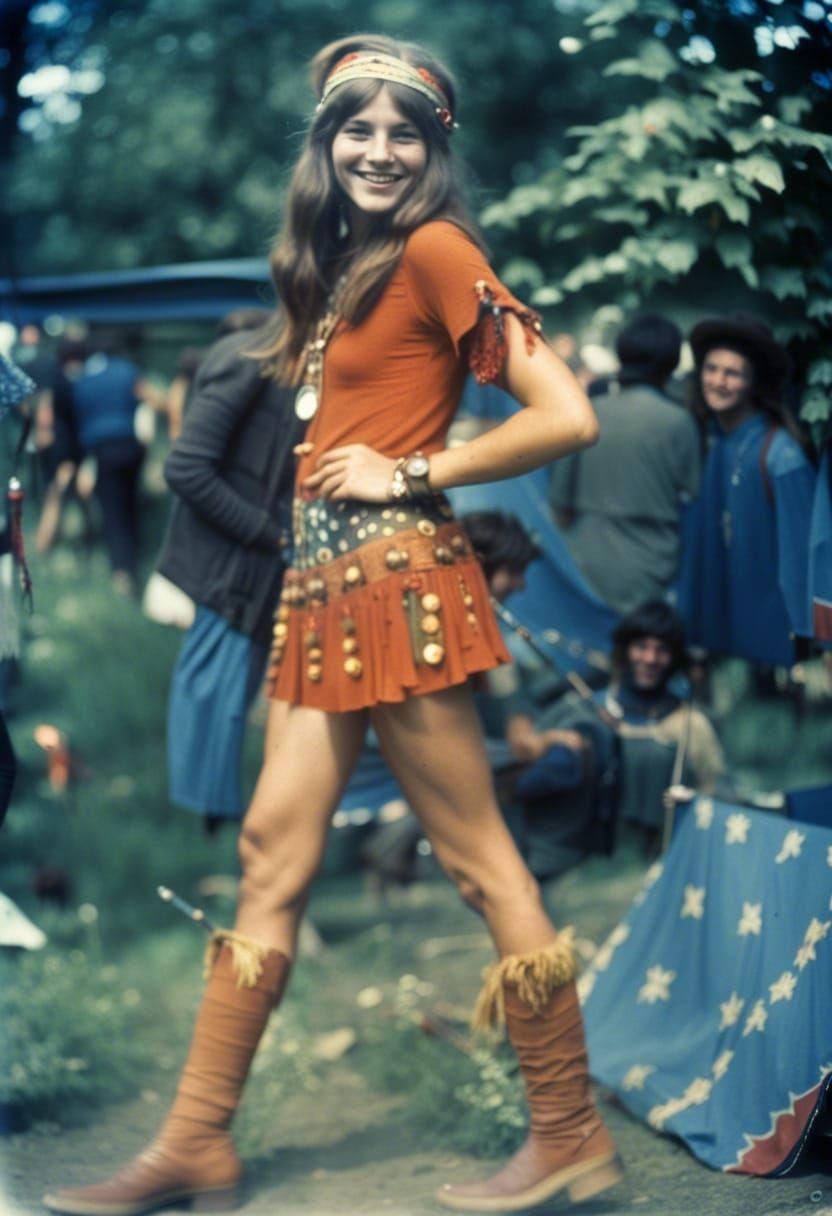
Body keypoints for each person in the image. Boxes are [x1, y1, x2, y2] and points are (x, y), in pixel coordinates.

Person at [45, 35, 622, 1216]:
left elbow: (566, 414)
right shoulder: (341, 269)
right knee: (270, 851)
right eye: (355, 128)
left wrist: (418, 473)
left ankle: (569, 1133)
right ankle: (198, 1141)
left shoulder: (436, 249)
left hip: (398, 586)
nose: (377, 148)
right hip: (321, 597)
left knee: (476, 859)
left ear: (432, 151)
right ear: (324, 143)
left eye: (403, 131)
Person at [156, 314, 302, 833]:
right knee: (214, 713)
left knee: (228, 713)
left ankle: (225, 826)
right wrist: (270, 535)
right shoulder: (251, 359)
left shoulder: (288, 365)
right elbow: (187, 469)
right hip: (233, 579)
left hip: (258, 579)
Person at [504, 601, 725, 866]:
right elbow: (524, 767)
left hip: (656, 863)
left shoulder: (690, 724)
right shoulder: (583, 709)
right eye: (641, 647)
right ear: (625, 649)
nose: (651, 659)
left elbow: (712, 793)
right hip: (575, 863)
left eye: (662, 650)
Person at [678, 314, 816, 667]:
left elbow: (804, 561)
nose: (718, 381)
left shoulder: (781, 454)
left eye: (733, 372)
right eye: (711, 369)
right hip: (718, 645)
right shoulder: (710, 441)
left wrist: (812, 648)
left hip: (771, 649)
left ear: (754, 383)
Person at [550, 312, 701, 613]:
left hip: (586, 560)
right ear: (671, 364)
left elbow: (560, 503)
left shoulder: (588, 412)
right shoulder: (679, 421)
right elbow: (694, 498)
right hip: (651, 565)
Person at [54, 334, 161, 596]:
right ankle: (137, 555)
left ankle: (122, 571)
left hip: (103, 451)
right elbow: (153, 400)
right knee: (131, 502)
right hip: (132, 447)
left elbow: (76, 422)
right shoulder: (128, 370)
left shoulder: (82, 382)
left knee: (113, 511)